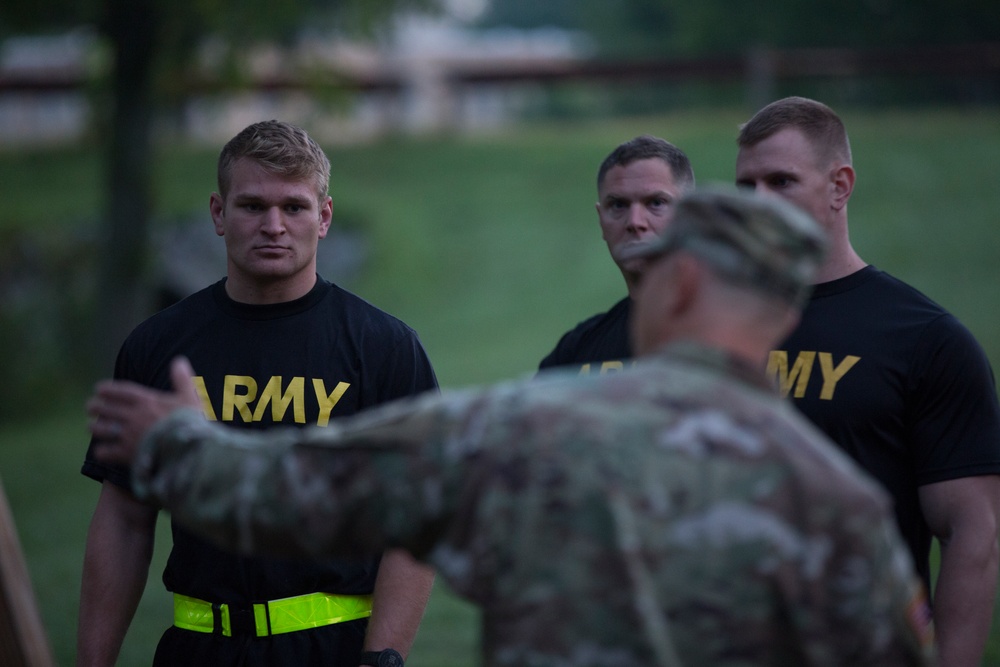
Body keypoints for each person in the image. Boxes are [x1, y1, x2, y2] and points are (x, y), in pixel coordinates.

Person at [88, 188, 935, 666]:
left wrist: (175, 440)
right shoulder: (840, 503)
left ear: (675, 289)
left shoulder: (529, 425)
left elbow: (290, 495)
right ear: (785, 315)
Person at [77, 120, 439, 667]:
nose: (274, 225)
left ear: (324, 217)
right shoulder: (158, 345)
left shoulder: (384, 348)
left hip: (332, 651)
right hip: (197, 651)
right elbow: (124, 519)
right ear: (219, 215)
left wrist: (383, 658)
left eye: (294, 207)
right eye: (252, 206)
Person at [735, 96, 1000, 667]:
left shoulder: (924, 339)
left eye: (780, 181)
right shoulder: (713, 331)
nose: (757, 203)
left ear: (839, 185)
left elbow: (972, 532)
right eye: (745, 185)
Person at [538, 135, 695, 374]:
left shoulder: (746, 332)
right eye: (619, 205)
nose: (635, 222)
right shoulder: (575, 353)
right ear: (601, 220)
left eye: (656, 203)